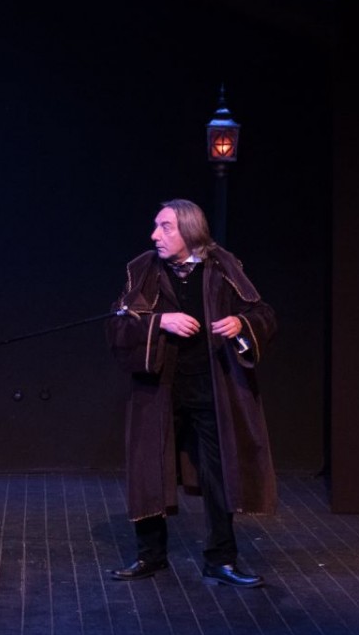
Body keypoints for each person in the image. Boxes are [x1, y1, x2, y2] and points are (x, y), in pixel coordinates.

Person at [106, 198, 278, 588]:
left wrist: (240, 323)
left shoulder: (223, 267)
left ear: (189, 229)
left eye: (165, 227)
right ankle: (150, 555)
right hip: (158, 388)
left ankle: (221, 558)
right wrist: (160, 322)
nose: (155, 235)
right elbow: (117, 325)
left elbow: (264, 313)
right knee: (149, 469)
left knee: (219, 474)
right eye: (156, 226)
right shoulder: (143, 269)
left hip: (210, 388)